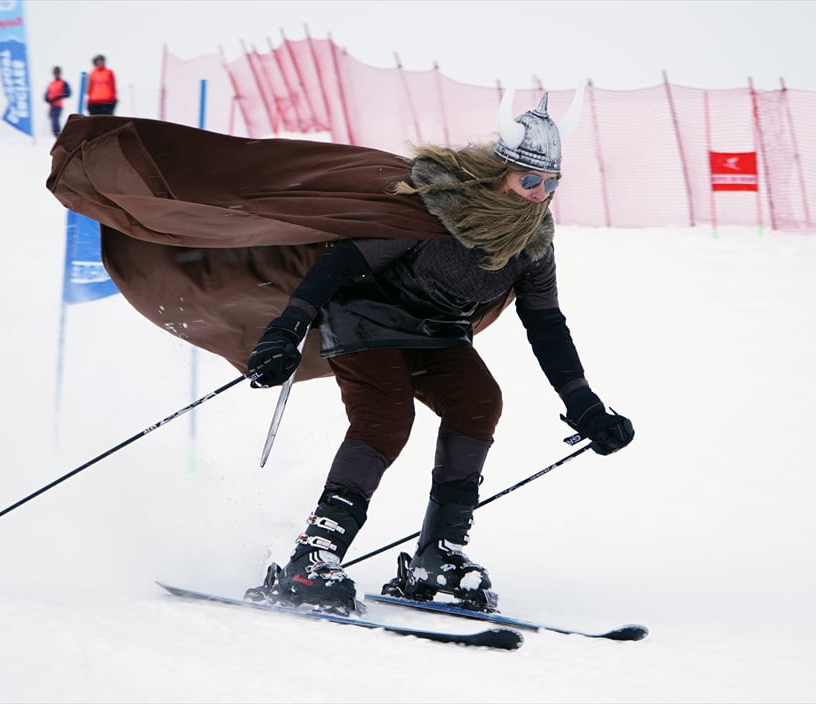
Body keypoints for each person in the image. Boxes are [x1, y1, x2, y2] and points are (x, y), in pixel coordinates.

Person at [241, 91, 635, 615]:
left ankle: (438, 555)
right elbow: (341, 263)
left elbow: (545, 323)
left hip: (439, 332)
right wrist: (286, 328)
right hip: (366, 317)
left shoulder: (532, 239)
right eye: (530, 180)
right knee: (385, 418)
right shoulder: (440, 207)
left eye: (550, 184)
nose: (540, 195)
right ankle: (312, 559)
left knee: (478, 400)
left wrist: (583, 401)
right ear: (501, 173)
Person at [44, 66, 72, 137]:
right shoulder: (51, 84)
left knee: (55, 121)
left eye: (58, 72)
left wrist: (58, 97)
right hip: (51, 105)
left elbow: (68, 93)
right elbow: (47, 94)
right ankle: (57, 136)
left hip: (58, 105)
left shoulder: (63, 83)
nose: (56, 74)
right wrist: (48, 99)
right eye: (55, 72)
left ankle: (59, 135)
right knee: (52, 121)